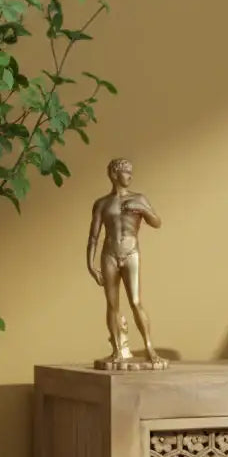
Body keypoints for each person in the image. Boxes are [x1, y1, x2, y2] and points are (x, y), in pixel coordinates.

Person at [86, 158, 168, 369]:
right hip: (109, 254)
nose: (130, 175)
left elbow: (157, 222)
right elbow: (94, 236)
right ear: (114, 174)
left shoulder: (139, 198)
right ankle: (117, 350)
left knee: (136, 301)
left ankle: (149, 348)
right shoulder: (102, 203)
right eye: (126, 171)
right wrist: (90, 265)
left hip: (131, 253)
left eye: (131, 171)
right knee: (112, 304)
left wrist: (142, 209)